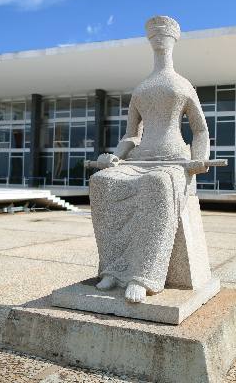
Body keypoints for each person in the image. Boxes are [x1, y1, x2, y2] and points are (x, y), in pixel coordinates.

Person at [89, 16, 209, 303]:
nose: (158, 40)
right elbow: (131, 135)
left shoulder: (182, 84)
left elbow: (201, 129)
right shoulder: (141, 89)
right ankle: (114, 270)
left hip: (173, 160)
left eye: (162, 36)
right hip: (140, 158)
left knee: (157, 184)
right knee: (101, 182)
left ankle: (143, 276)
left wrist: (199, 158)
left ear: (172, 40)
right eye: (153, 36)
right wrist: (115, 157)